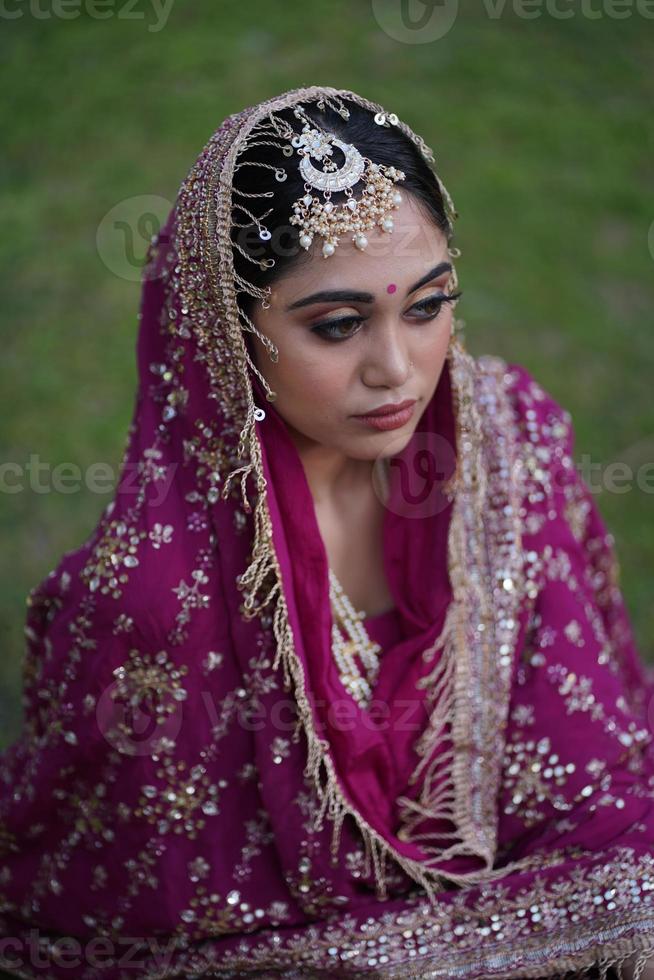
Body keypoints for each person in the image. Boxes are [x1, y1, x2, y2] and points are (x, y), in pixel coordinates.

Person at [0, 84, 653, 980]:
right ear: (225, 333)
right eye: (339, 325)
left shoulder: (509, 444)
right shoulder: (151, 604)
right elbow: (137, 906)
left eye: (427, 305)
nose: (397, 370)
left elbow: (590, 757)